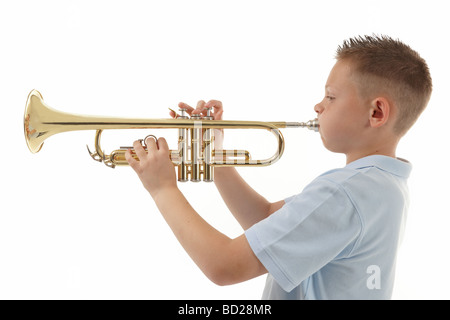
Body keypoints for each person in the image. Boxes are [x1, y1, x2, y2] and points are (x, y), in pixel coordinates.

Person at [125, 35, 432, 299]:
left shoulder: (344, 192)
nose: (318, 106)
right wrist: (212, 153)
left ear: (376, 112)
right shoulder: (382, 185)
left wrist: (162, 188)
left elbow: (223, 266)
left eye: (330, 96)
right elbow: (267, 220)